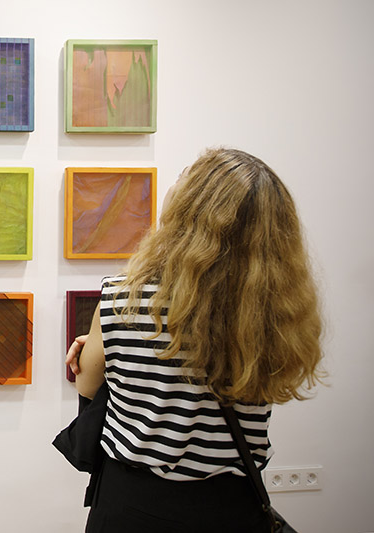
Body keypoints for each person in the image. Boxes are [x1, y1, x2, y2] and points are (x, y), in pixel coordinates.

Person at [65, 148, 324, 532]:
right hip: (230, 506)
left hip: (132, 504)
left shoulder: (124, 297)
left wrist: (107, 351)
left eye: (182, 177)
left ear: (187, 209)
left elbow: (88, 386)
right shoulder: (274, 312)